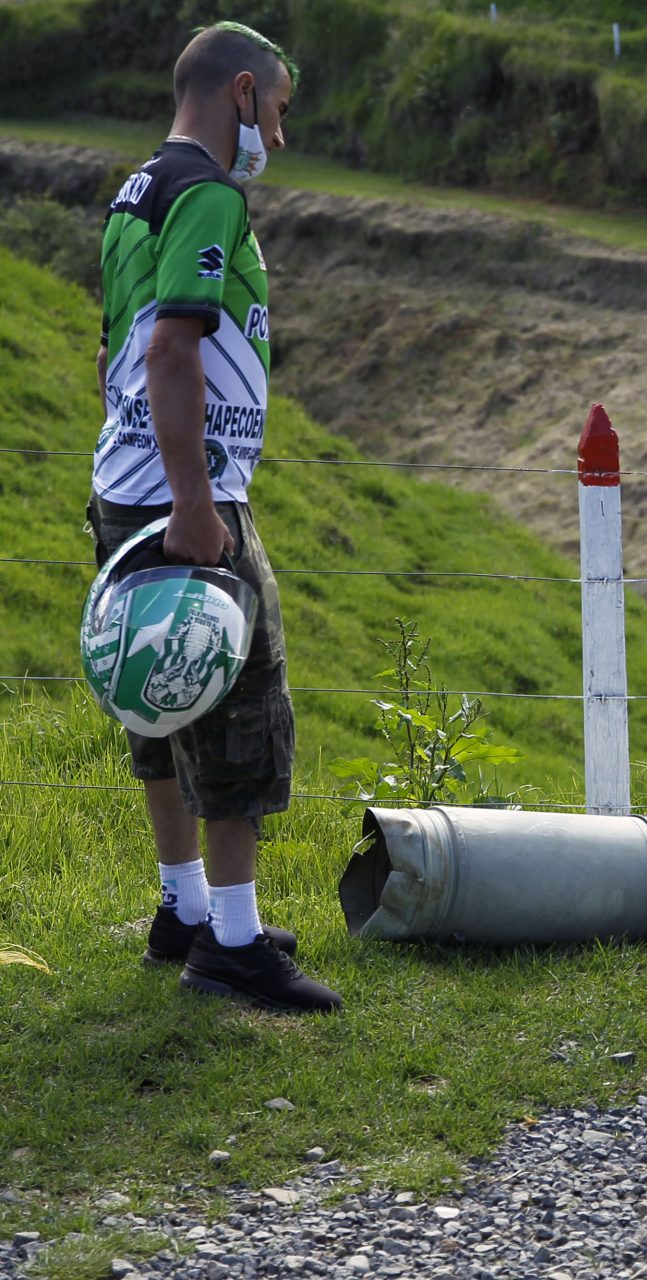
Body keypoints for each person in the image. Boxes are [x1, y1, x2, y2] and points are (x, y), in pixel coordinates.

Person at [92, 21, 340, 1012]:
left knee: (158, 702)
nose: (276, 138)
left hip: (124, 484)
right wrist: (197, 503)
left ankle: (182, 909)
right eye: (277, 112)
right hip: (186, 496)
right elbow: (169, 352)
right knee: (244, 707)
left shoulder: (134, 191)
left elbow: (123, 344)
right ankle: (233, 944)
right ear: (242, 92)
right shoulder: (207, 193)